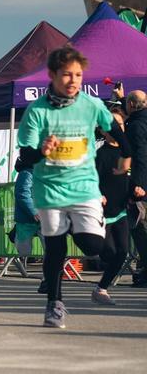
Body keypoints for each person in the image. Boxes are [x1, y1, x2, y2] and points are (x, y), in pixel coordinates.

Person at [17, 45, 131, 328]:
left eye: (78, 75)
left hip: (84, 188)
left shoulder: (91, 106)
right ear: (53, 75)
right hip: (50, 191)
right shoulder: (37, 111)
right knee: (55, 250)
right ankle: (54, 304)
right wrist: (42, 151)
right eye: (67, 75)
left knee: (93, 245)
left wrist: (127, 155)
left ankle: (72, 227)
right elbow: (25, 156)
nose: (73, 81)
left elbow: (115, 129)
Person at [93, 111, 130, 304]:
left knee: (122, 252)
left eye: (120, 124)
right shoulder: (101, 154)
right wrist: (98, 194)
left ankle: (101, 289)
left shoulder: (128, 152)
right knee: (108, 252)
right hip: (102, 214)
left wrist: (138, 188)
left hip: (121, 211)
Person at [124, 90, 147, 286]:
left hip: (143, 186)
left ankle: (145, 271)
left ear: (131, 104)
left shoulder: (136, 126)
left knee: (141, 229)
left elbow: (140, 157)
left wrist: (138, 184)